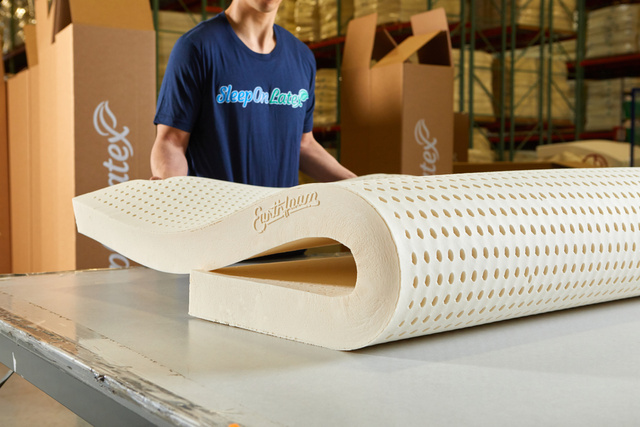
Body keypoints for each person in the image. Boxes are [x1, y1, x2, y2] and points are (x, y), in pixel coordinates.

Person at [150, 0, 356, 186]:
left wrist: (358, 186)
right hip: (221, 221)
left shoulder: (302, 58)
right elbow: (171, 141)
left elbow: (303, 144)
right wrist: (172, 193)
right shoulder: (197, 48)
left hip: (283, 221)